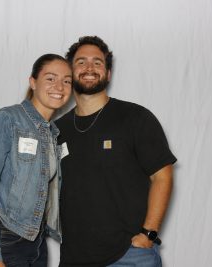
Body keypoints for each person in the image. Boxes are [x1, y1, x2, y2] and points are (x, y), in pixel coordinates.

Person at [56, 36, 177, 267]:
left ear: (108, 74)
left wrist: (148, 234)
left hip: (128, 256)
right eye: (81, 62)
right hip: (73, 258)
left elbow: (163, 176)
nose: (89, 68)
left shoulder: (135, 118)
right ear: (69, 72)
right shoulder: (57, 130)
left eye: (98, 63)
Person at [0, 54, 72, 267]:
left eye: (67, 81)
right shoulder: (6, 120)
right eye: (50, 78)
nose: (59, 86)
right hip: (5, 243)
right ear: (33, 82)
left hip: (36, 243)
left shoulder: (52, 133)